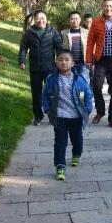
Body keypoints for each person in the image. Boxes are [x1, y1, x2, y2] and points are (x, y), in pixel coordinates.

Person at [42, 51, 93, 180]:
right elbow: (45, 95)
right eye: (60, 59)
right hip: (60, 117)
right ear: (56, 62)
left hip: (76, 117)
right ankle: (60, 166)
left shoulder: (79, 79)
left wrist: (87, 108)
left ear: (72, 63)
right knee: (60, 143)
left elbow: (87, 94)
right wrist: (47, 108)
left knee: (77, 141)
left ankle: (76, 154)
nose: (63, 62)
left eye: (66, 60)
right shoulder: (52, 79)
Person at [85, 0, 112, 127]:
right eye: (106, 6)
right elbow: (90, 42)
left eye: (111, 6)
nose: (108, 8)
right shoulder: (96, 22)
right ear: (102, 7)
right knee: (97, 86)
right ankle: (100, 111)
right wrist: (88, 60)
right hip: (101, 60)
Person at [18, 10, 63, 125]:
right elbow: (23, 47)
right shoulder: (29, 33)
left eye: (43, 18)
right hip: (35, 69)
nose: (40, 20)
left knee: (52, 93)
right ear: (34, 19)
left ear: (46, 19)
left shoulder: (52, 31)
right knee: (36, 94)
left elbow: (59, 48)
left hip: (50, 68)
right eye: (38, 18)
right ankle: (38, 116)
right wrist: (22, 61)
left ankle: (52, 115)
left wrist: (61, 63)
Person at [61, 11, 89, 80]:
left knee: (83, 82)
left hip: (83, 63)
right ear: (69, 20)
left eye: (76, 19)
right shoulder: (63, 33)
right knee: (69, 82)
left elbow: (91, 47)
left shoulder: (86, 32)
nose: (74, 21)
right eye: (72, 19)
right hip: (69, 63)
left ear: (80, 20)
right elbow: (60, 48)